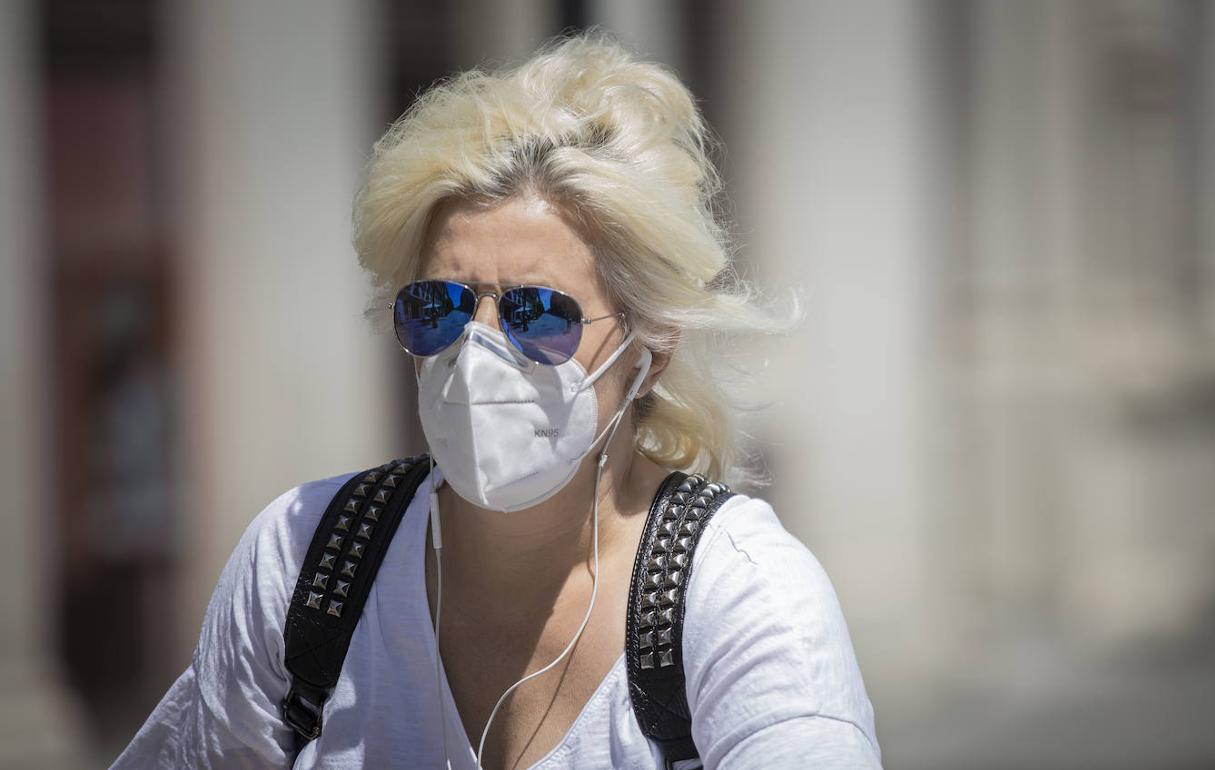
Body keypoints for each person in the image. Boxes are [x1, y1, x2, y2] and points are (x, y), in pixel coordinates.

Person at [113, 32, 882, 770]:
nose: (476, 351)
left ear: (650, 349)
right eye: (437, 307)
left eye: (538, 312)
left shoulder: (741, 593)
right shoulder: (302, 561)